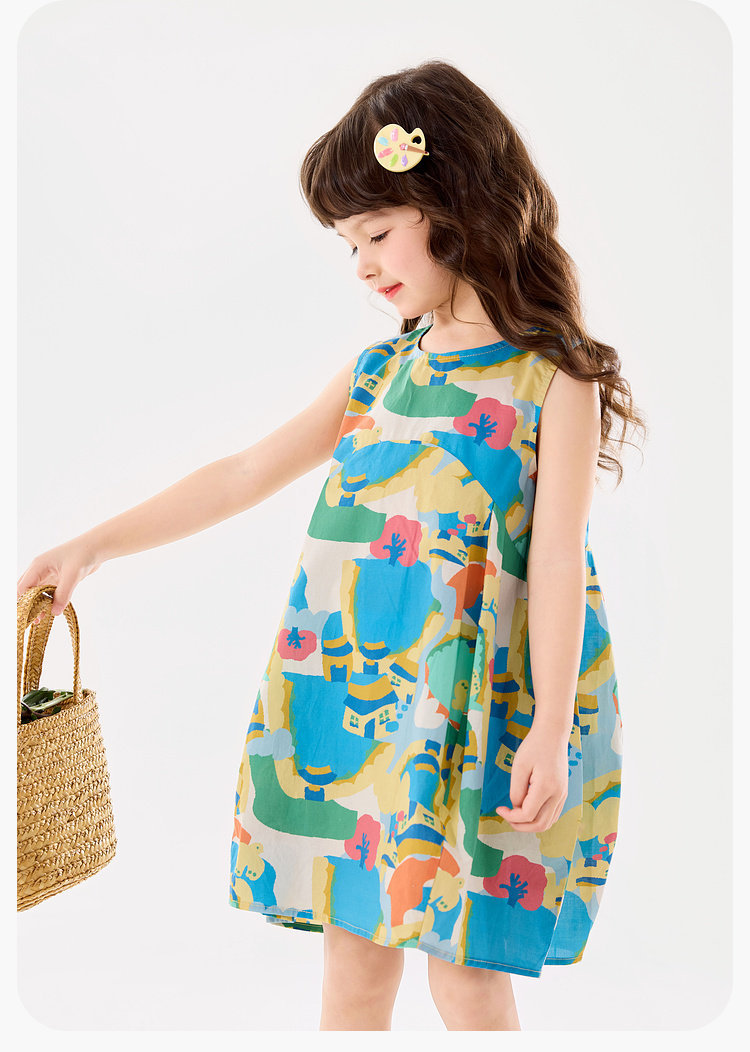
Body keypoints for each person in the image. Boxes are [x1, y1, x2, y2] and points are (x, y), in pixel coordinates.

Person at [17, 59, 646, 1031]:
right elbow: (243, 472)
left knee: (466, 973)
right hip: (361, 704)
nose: (361, 265)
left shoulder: (550, 378)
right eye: (350, 243)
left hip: (483, 712)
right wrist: (92, 546)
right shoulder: (379, 373)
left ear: (460, 204)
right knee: (353, 964)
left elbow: (559, 557)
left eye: (378, 233)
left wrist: (551, 729)